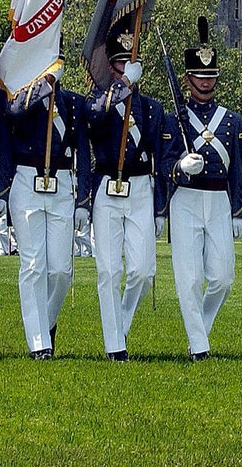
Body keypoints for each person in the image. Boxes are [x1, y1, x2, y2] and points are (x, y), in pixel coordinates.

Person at [162, 19, 242, 360]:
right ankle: (199, 345)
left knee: (223, 278)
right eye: (200, 77)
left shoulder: (231, 120)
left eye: (210, 77)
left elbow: (239, 169)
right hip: (185, 200)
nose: (205, 82)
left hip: (219, 201)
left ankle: (201, 330)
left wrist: (239, 211)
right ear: (187, 79)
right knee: (190, 278)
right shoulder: (173, 120)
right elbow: (164, 166)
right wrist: (180, 166)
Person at [84, 30, 167, 361]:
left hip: (140, 190)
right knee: (108, 270)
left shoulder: (151, 109)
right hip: (107, 187)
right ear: (111, 68)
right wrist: (122, 88)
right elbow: (95, 117)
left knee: (143, 271)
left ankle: (120, 327)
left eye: (130, 63)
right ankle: (114, 345)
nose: (124, 67)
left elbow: (160, 161)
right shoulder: (97, 101)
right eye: (119, 63)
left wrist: (161, 209)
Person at [0, 68, 91, 359]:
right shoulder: (19, 99)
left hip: (62, 182)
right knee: (33, 265)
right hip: (27, 181)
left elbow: (84, 155)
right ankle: (39, 343)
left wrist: (84, 201)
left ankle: (46, 321)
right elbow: (14, 114)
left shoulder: (73, 104)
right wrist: (43, 86)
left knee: (62, 270)